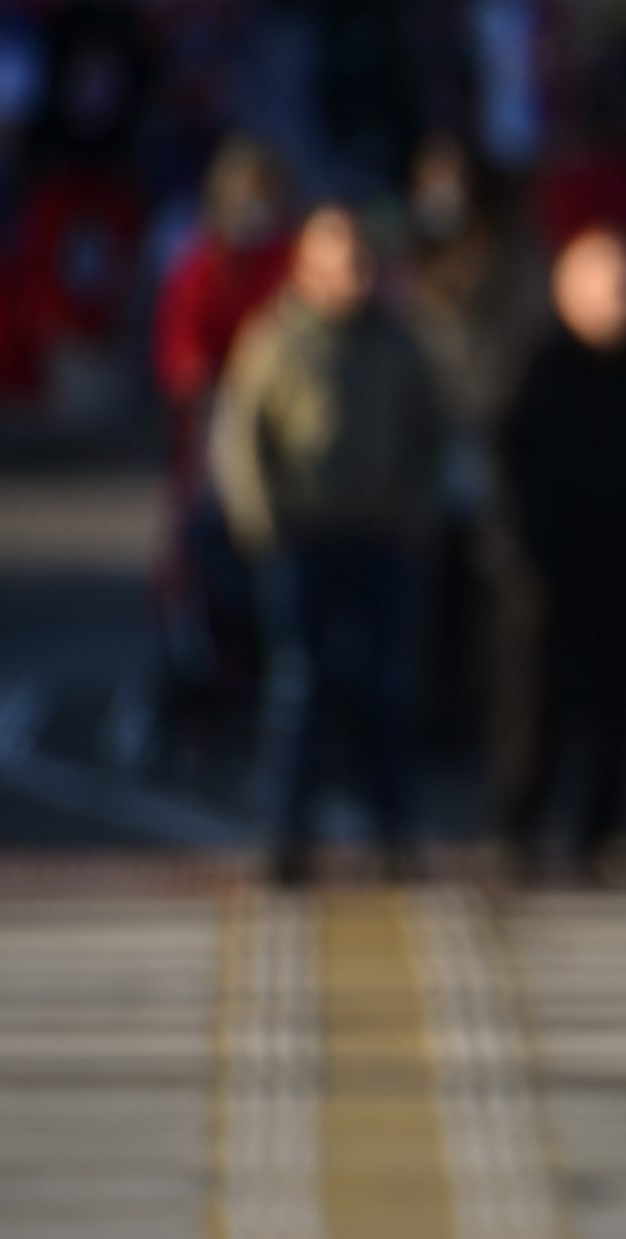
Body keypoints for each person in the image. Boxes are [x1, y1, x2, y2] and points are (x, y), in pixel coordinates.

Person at [210, 203, 445, 885]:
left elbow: (429, 435)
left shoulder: (398, 342)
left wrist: (415, 513)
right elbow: (240, 439)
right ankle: (284, 834)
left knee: (387, 689)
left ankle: (394, 832)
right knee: (298, 687)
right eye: (338, 260)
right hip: (301, 539)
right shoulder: (277, 339)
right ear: (306, 267)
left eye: (362, 261)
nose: (354, 274)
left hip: (383, 538)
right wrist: (262, 525)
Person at [490, 228, 626, 886]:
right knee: (533, 704)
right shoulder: (538, 367)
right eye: (605, 284)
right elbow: (513, 460)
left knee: (622, 701)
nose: (621, 298)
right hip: (548, 561)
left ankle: (605, 830)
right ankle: (517, 829)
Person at [397, 130, 551, 750]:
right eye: (432, 180)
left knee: (498, 590)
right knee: (431, 592)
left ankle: (490, 714)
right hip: (423, 447)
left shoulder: (514, 254)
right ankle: (433, 711)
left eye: (455, 179)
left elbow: (527, 339)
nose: (444, 195)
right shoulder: (405, 261)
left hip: (496, 439)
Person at [149, 137, 293, 698]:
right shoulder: (200, 264)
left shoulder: (288, 259)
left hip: (279, 427)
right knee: (201, 546)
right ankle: (206, 662)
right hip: (212, 425)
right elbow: (178, 349)